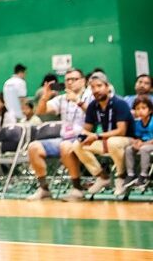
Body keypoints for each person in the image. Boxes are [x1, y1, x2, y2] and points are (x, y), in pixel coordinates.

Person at [26, 68, 91, 201]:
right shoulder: (62, 98)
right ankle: (44, 189)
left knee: (65, 146)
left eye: (74, 79)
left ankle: (77, 189)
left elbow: (95, 115)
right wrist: (44, 97)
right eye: (68, 80)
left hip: (85, 138)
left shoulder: (90, 95)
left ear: (83, 81)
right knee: (34, 147)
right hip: (64, 137)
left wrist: (78, 101)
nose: (70, 82)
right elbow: (40, 111)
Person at [70, 71, 135, 197]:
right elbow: (87, 128)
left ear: (107, 87)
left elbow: (121, 131)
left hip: (127, 140)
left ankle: (121, 176)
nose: (96, 90)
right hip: (105, 140)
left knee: (113, 142)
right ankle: (102, 177)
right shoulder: (93, 106)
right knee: (77, 145)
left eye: (99, 86)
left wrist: (97, 136)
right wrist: (82, 137)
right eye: (93, 87)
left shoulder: (119, 103)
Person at [124, 95, 153, 190]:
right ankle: (131, 174)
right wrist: (137, 142)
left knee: (144, 149)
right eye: (137, 109)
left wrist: (143, 144)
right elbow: (138, 137)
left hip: (150, 144)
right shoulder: (137, 123)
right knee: (129, 149)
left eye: (143, 108)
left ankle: (144, 175)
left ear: (150, 110)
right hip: (145, 144)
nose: (140, 111)